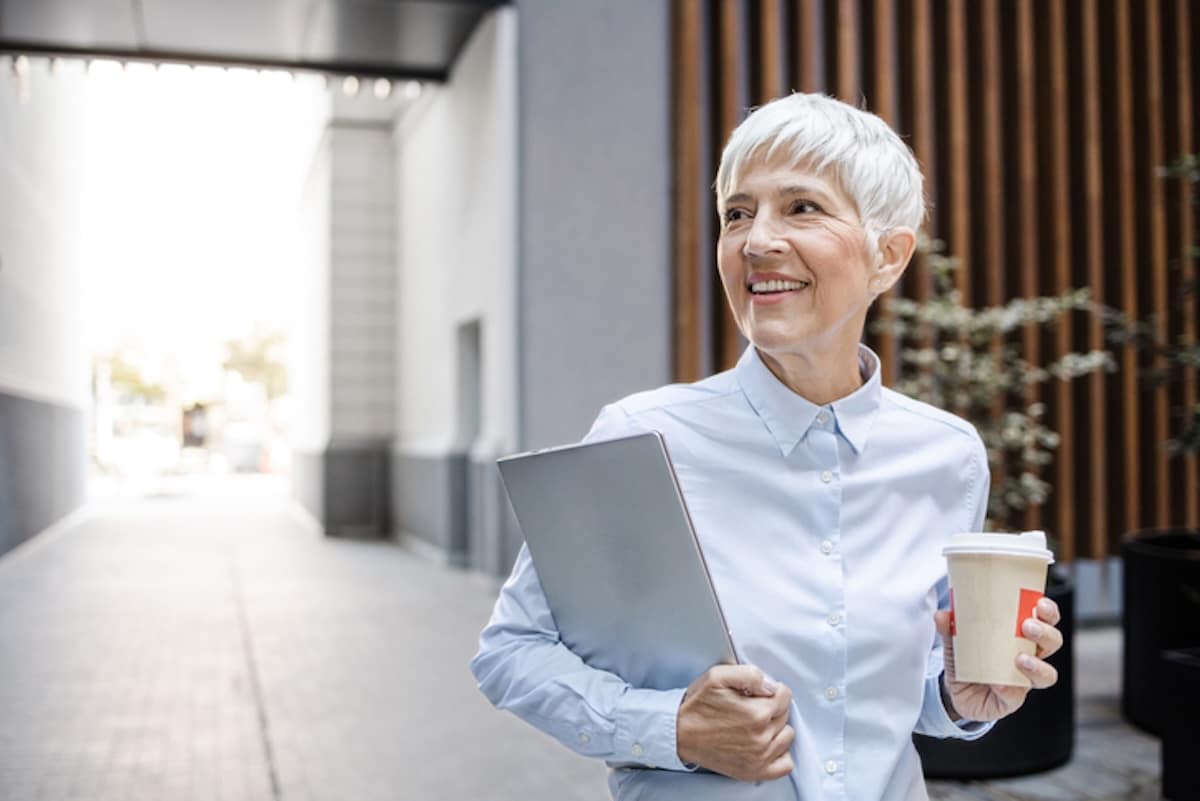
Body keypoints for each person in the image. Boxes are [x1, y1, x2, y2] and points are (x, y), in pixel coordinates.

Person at [469, 92, 1063, 801]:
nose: (755, 241)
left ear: (889, 255)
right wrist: (670, 726)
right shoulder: (643, 437)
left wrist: (961, 695)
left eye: (802, 208)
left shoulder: (947, 457)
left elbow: (883, 701)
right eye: (737, 213)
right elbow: (511, 651)